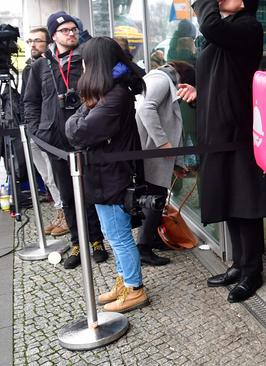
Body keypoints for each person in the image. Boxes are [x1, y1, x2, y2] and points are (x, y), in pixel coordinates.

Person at [192, 0, 266, 303]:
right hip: (216, 130)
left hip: (237, 130)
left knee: (245, 202)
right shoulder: (227, 30)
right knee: (228, 196)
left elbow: (209, 25)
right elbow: (220, 75)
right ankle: (239, 264)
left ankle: (252, 270)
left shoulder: (248, 26)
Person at [65, 36, 149, 313]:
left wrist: (78, 120)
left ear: (96, 63)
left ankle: (135, 288)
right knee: (115, 235)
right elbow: (78, 125)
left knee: (119, 236)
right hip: (105, 174)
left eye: (86, 61)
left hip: (112, 176)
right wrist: (79, 119)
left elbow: (79, 131)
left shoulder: (116, 94)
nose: (83, 66)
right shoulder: (108, 92)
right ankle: (124, 281)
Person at [23, 11, 108, 269]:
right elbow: (31, 102)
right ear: (53, 36)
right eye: (65, 30)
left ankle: (96, 240)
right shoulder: (40, 66)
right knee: (68, 195)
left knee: (91, 191)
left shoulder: (88, 58)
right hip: (55, 142)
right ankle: (77, 241)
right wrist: (38, 131)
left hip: (85, 135)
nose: (71, 33)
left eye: (74, 29)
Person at [135, 61, 196, 266]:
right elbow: (146, 109)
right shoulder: (161, 80)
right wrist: (164, 144)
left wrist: (176, 161)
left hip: (150, 149)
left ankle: (150, 239)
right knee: (155, 197)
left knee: (154, 195)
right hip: (150, 149)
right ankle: (143, 248)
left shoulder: (157, 77)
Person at [21, 27, 68, 237]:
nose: (33, 45)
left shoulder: (52, 65)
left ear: (48, 42)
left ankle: (67, 214)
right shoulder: (29, 67)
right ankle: (60, 211)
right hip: (35, 130)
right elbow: (29, 100)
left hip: (50, 131)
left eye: (38, 41)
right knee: (47, 177)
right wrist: (33, 128)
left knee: (54, 174)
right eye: (30, 41)